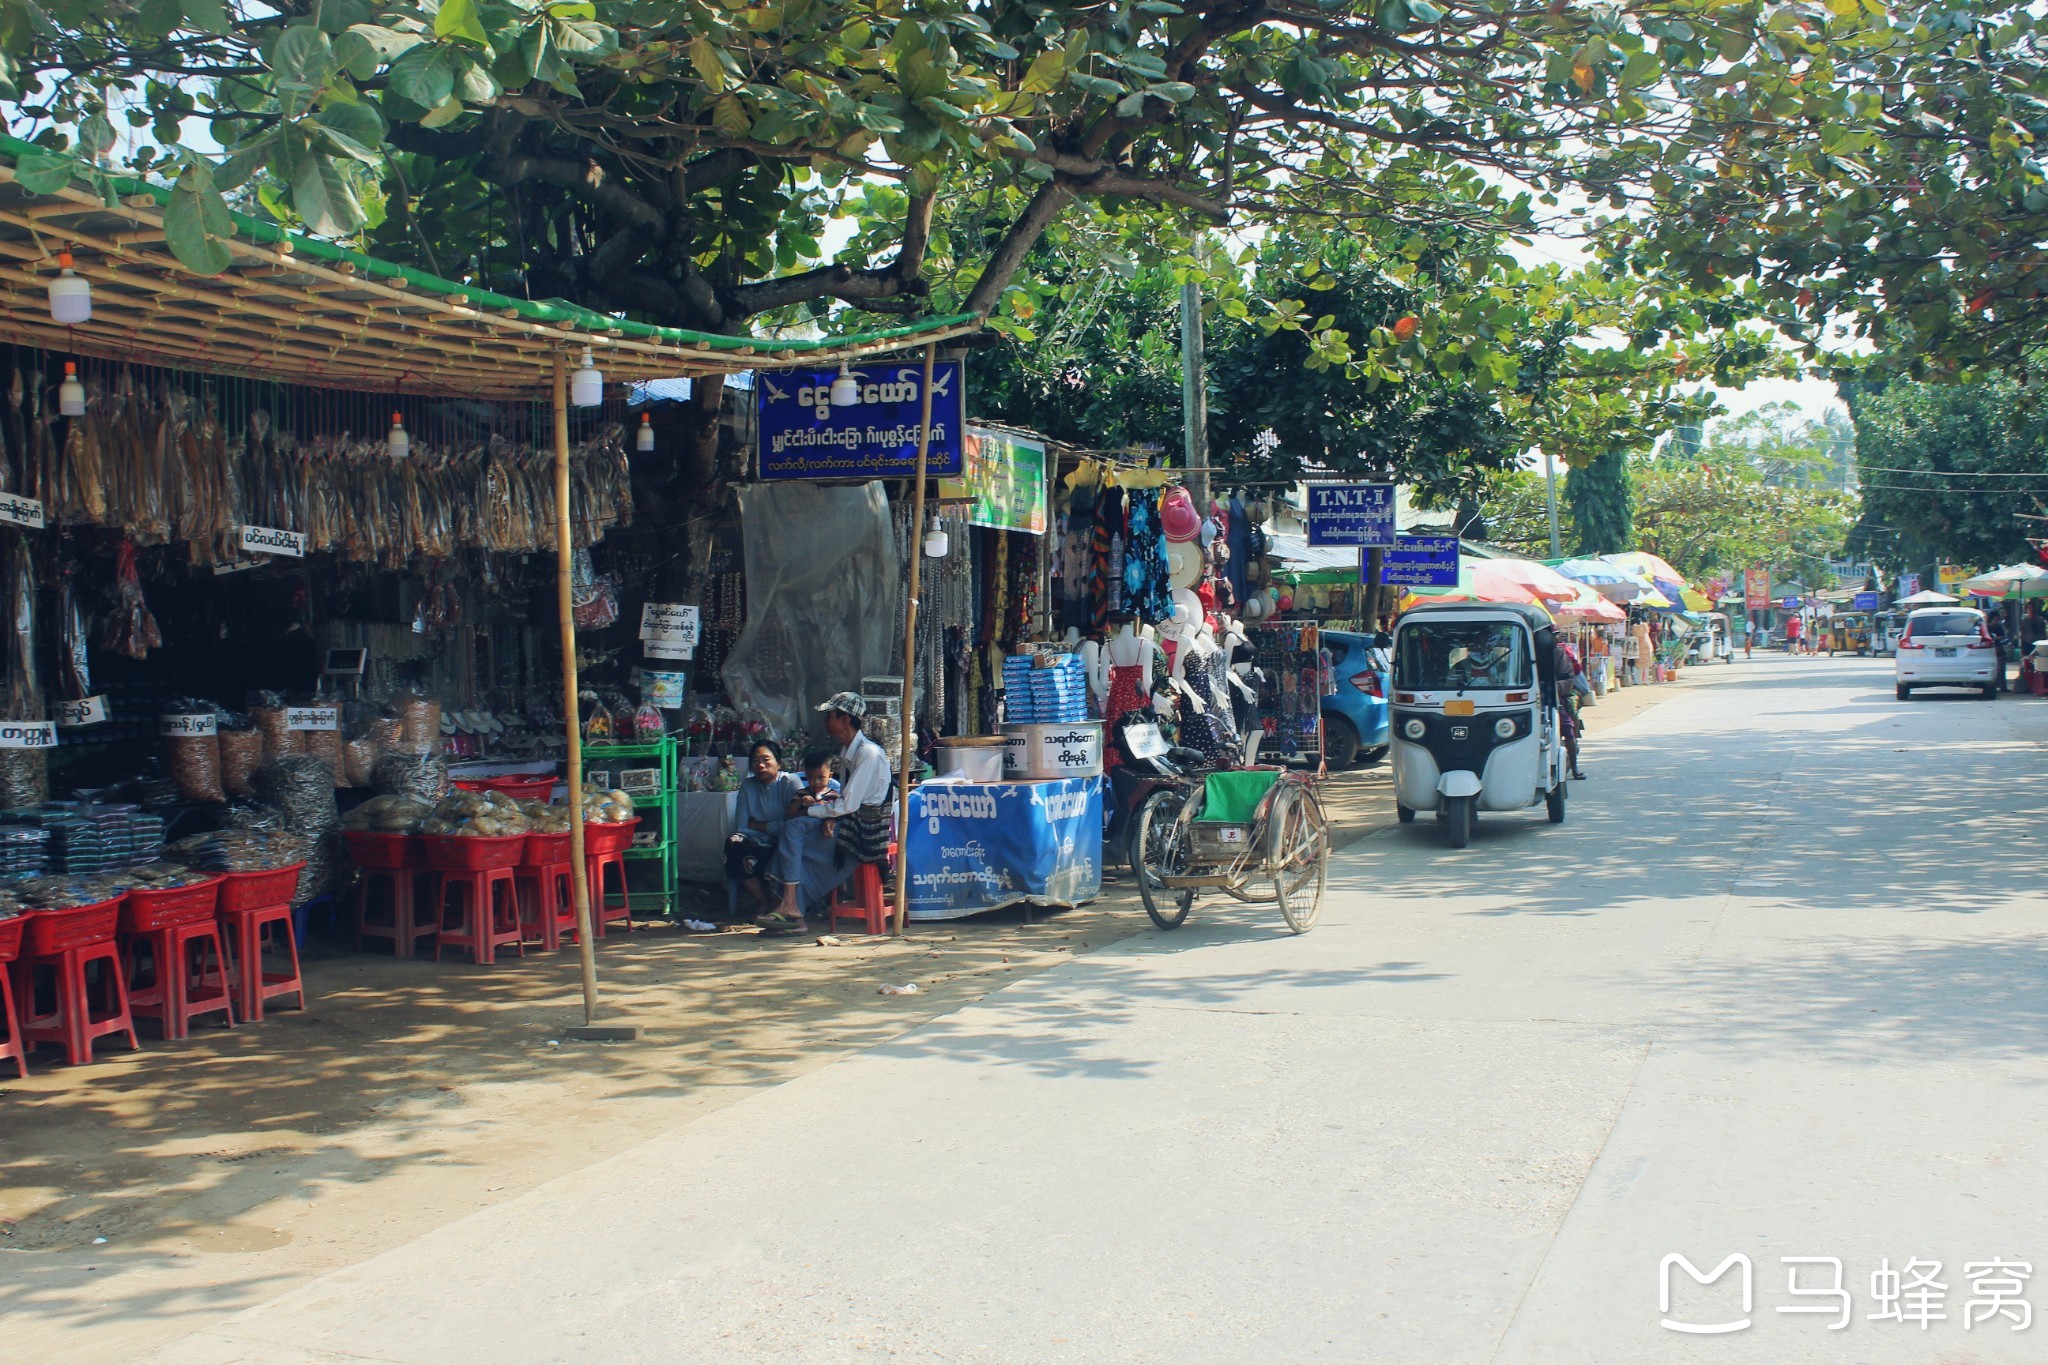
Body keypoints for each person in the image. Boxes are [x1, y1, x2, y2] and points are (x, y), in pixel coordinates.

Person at [758, 692, 892, 931]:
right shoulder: (847, 752)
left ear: (845, 720)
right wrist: (830, 817)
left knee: (795, 827)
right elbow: (844, 801)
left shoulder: (868, 754)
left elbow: (848, 804)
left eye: (830, 716)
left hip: (863, 830)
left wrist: (816, 813)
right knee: (791, 832)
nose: (826, 721)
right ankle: (791, 909)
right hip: (849, 819)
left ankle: (791, 907)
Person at [766, 749, 853, 921]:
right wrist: (800, 803)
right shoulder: (802, 793)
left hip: (823, 839)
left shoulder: (834, 796)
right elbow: (789, 815)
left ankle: (797, 902)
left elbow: (837, 815)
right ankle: (789, 903)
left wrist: (827, 818)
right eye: (811, 778)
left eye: (821, 777)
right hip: (803, 839)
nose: (816, 782)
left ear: (830, 775)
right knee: (789, 842)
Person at [726, 740, 801, 915]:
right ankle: (762, 901)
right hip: (757, 842)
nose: (760, 765)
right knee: (733, 844)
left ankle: (782, 903)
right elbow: (742, 826)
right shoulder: (747, 786)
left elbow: (793, 823)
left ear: (779, 762)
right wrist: (770, 828)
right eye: (755, 761)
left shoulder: (790, 783)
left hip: (786, 841)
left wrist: (760, 825)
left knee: (787, 842)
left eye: (766, 760)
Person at [1554, 638, 1588, 780]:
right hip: (1536, 695)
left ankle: (1575, 768)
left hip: (1557, 694)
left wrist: (1557, 686)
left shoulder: (1560, 653)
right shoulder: (1525, 650)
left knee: (1567, 726)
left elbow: (1568, 678)